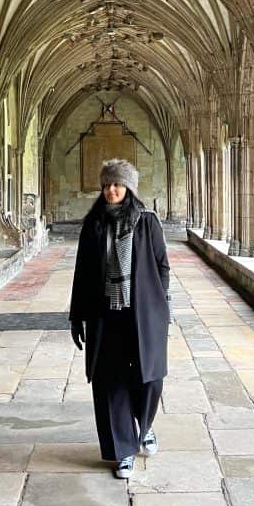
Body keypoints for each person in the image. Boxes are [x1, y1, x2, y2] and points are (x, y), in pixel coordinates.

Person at [69, 158, 171, 479]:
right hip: (105, 316)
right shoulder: (93, 225)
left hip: (143, 314)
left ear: (129, 187)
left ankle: (145, 425)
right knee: (111, 382)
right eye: (106, 184)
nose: (111, 190)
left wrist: (159, 304)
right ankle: (123, 449)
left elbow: (162, 266)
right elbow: (82, 274)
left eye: (117, 184)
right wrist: (77, 317)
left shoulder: (147, 222)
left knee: (150, 378)